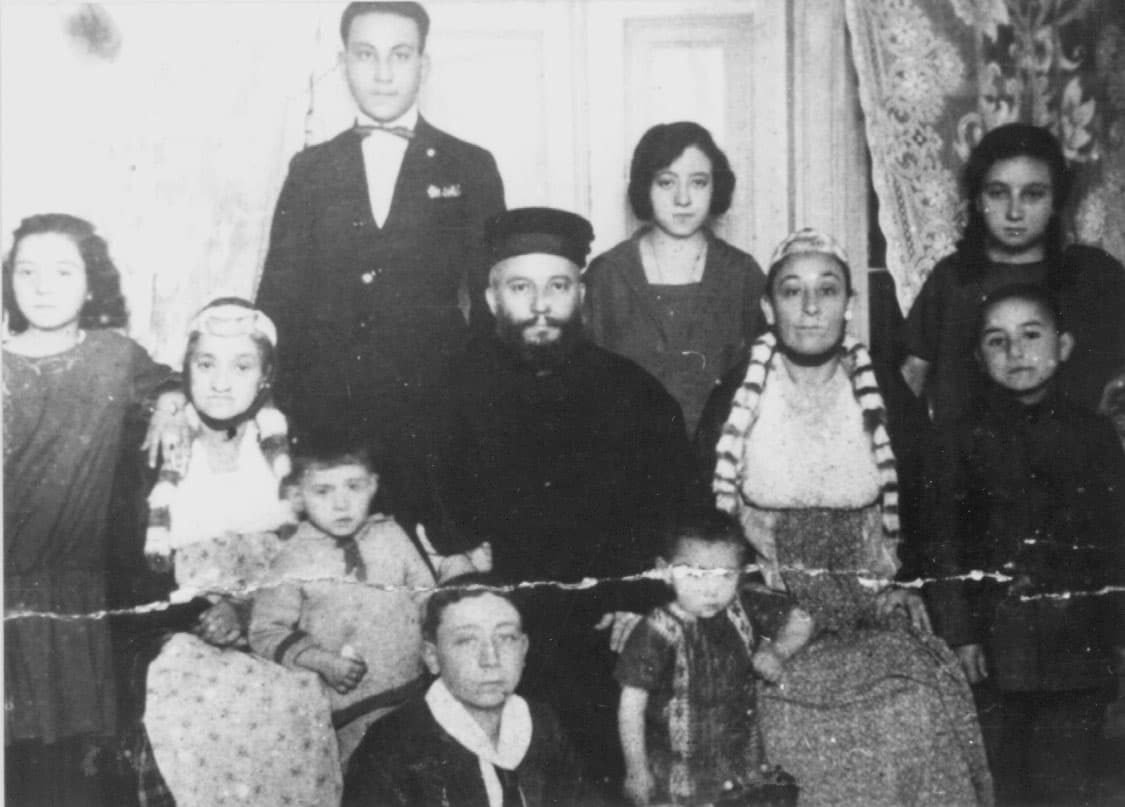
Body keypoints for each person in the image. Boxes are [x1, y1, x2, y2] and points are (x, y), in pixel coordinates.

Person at [698, 228, 993, 806]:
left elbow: (931, 514)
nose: (810, 308)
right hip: (769, 613)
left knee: (912, 706)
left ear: (849, 305)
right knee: (773, 718)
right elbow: (705, 523)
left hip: (869, 608)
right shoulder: (738, 394)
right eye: (792, 291)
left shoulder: (884, 393)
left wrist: (913, 589)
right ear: (767, 307)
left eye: (827, 290)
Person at [425, 206, 699, 790]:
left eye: (558, 286)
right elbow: (435, 511)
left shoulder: (636, 396)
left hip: (606, 631)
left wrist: (642, 602)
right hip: (498, 628)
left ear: (582, 293)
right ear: (492, 296)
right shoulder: (449, 394)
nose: (541, 305)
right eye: (521, 287)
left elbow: (674, 520)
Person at [257, 0, 505, 514]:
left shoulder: (472, 166)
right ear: (343, 61)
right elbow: (278, 302)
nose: (385, 74)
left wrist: (480, 410)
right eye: (366, 55)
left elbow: (492, 304)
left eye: (402, 55)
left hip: (433, 416)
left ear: (424, 64)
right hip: (326, 422)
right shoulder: (310, 169)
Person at [3, 213, 182, 806]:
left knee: (77, 780)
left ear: (92, 284)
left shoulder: (114, 356)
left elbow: (167, 384)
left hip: (79, 603)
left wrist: (172, 402)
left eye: (62, 270)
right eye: (26, 271)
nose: (43, 286)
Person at [923, 284, 1125, 805]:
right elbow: (943, 542)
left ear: (1063, 346)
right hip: (996, 650)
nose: (1016, 352)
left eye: (1031, 335)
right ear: (977, 357)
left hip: (1078, 647)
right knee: (1001, 781)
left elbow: (1114, 539)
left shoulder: (1096, 437)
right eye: (997, 340)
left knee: (1065, 779)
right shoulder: (957, 440)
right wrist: (960, 633)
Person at [139, 299, 340, 807]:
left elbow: (313, 555)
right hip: (186, 631)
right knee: (195, 697)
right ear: (184, 371)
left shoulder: (284, 450)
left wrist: (251, 612)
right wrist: (204, 616)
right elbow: (134, 575)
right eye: (206, 365)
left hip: (275, 624)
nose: (221, 383)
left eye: (241, 366)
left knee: (294, 697)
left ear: (266, 375)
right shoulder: (161, 447)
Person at [251, 440, 482, 764]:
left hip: (417, 690)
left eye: (354, 486)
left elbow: (426, 599)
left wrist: (441, 650)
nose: (341, 504)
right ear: (297, 497)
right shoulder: (292, 557)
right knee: (368, 782)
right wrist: (321, 661)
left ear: (372, 486)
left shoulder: (391, 535)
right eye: (323, 491)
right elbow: (265, 632)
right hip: (351, 710)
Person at [901, 122, 1125, 425]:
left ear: (1056, 201)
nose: (1014, 212)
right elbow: (911, 377)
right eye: (998, 193)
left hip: (1074, 461)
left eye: (1033, 194)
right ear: (978, 201)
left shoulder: (1092, 274)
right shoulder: (954, 279)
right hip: (969, 462)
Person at [343, 577, 595, 807]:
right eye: (466, 641)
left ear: (524, 649)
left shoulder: (543, 724)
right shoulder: (392, 745)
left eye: (506, 638)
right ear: (432, 657)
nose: (490, 658)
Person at [615, 509, 808, 806]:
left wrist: (778, 650)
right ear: (665, 571)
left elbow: (802, 617)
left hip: (741, 771)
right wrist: (636, 770)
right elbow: (631, 703)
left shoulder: (743, 607)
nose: (710, 589)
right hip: (676, 775)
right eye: (694, 575)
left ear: (741, 573)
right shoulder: (658, 630)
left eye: (725, 576)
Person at [585, 122, 766, 436]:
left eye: (698, 182)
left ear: (716, 188)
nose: (683, 199)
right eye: (666, 183)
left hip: (720, 464)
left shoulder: (742, 274)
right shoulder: (608, 275)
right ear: (645, 187)